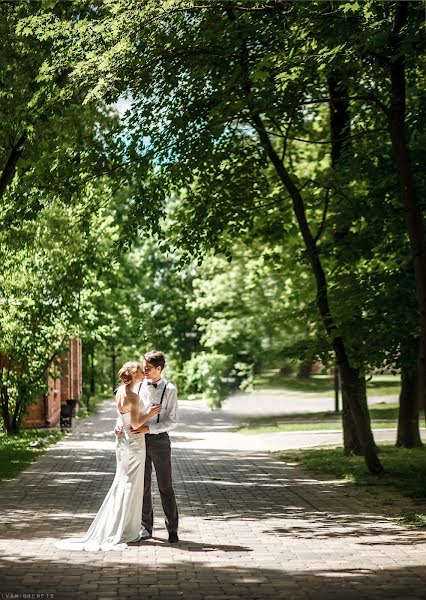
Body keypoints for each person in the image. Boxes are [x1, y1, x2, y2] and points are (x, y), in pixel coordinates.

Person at [55, 361, 160, 552]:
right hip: (134, 443)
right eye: (140, 372)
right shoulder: (133, 397)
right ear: (134, 375)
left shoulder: (120, 391)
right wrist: (150, 414)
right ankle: (125, 529)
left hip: (122, 442)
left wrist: (120, 422)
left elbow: (123, 416)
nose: (143, 374)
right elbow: (136, 425)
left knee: (123, 481)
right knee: (131, 485)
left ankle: (120, 525)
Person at [115, 350, 179, 543]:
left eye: (148, 368)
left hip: (159, 442)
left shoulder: (170, 389)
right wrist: (119, 422)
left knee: (165, 486)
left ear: (159, 368)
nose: (144, 370)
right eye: (143, 367)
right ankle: (146, 527)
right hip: (138, 442)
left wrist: (148, 429)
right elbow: (126, 407)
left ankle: (172, 529)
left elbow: (173, 421)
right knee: (142, 486)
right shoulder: (139, 384)